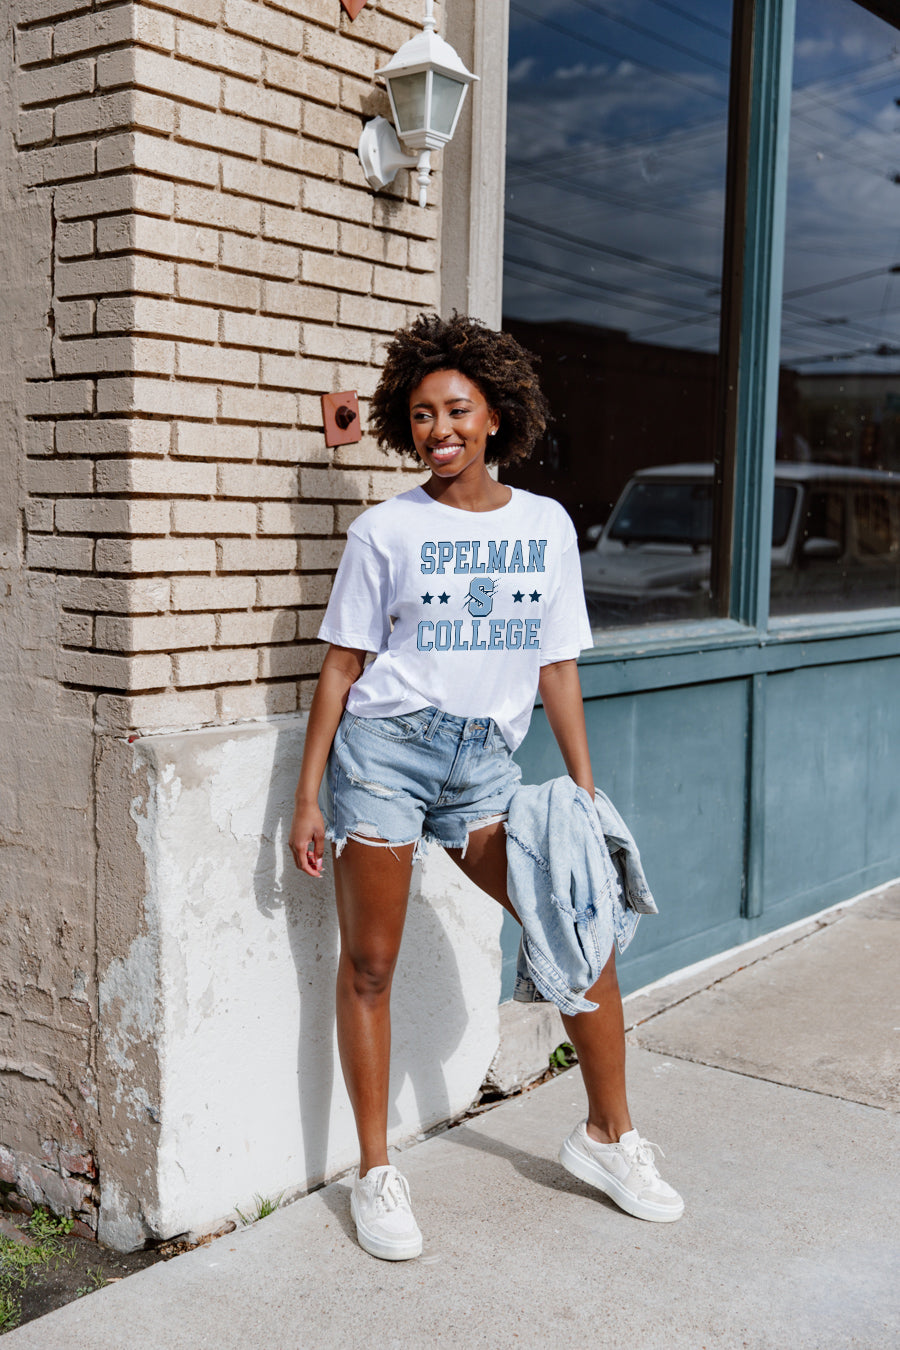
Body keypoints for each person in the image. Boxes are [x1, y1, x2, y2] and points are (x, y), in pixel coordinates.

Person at [289, 312, 683, 1261]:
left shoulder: (545, 526)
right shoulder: (385, 529)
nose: (439, 431)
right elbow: (342, 668)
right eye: (421, 415)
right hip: (383, 754)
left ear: (497, 416)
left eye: (457, 410)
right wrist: (309, 796)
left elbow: (556, 669)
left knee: (580, 925)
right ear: (403, 423)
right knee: (371, 966)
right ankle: (376, 1173)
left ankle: (607, 1137)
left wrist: (585, 792)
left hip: (484, 765)